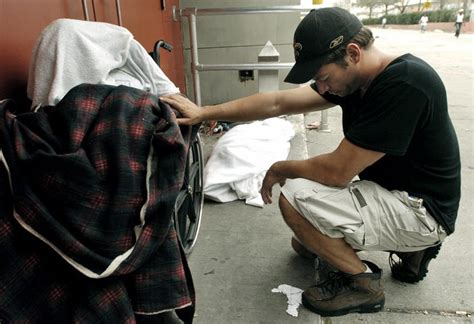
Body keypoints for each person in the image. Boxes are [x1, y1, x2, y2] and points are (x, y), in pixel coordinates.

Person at [161, 7, 461, 317]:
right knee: (304, 245)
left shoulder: (404, 84)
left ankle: (363, 283)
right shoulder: (359, 81)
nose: (321, 88)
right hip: (393, 194)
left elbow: (336, 172)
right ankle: (411, 250)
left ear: (353, 53)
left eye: (323, 77)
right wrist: (204, 112)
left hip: (422, 210)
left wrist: (279, 169)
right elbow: (277, 102)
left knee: (294, 199)